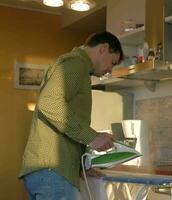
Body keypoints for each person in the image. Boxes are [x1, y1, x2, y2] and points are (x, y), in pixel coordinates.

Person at [19, 31, 124, 199]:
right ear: (104, 48)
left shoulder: (72, 65)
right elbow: (50, 103)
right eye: (112, 63)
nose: (109, 70)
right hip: (54, 172)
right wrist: (92, 137)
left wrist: (79, 166)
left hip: (47, 171)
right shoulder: (76, 63)